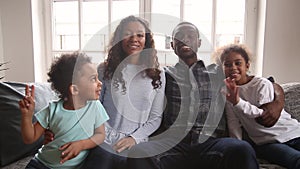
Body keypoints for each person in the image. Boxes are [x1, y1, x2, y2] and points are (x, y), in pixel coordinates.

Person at [127, 22, 285, 169]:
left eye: (190, 36)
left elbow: (265, 82)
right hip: (173, 145)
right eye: (179, 37)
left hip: (211, 144)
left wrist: (278, 101)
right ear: (172, 45)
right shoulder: (164, 74)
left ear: (199, 43)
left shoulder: (217, 72)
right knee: (138, 152)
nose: (185, 40)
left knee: (242, 148)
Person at [79, 15, 166, 169]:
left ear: (146, 40)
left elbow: (155, 118)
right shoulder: (104, 69)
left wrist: (134, 138)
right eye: (128, 34)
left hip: (137, 142)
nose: (134, 39)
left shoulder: (157, 73)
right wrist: (107, 137)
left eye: (140, 35)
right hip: (104, 139)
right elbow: (95, 108)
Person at [19, 52, 109, 169]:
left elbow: (101, 135)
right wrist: (26, 116)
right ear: (75, 89)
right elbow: (29, 138)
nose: (100, 83)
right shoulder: (52, 110)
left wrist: (81, 145)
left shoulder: (95, 107)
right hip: (42, 164)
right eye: (93, 79)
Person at [220, 44, 300, 169]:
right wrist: (238, 149)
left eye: (238, 63)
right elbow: (233, 123)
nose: (233, 68)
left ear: (247, 66)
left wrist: (237, 102)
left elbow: (263, 116)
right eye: (228, 65)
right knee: (297, 160)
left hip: (293, 132)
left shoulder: (262, 84)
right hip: (266, 143)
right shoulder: (227, 92)